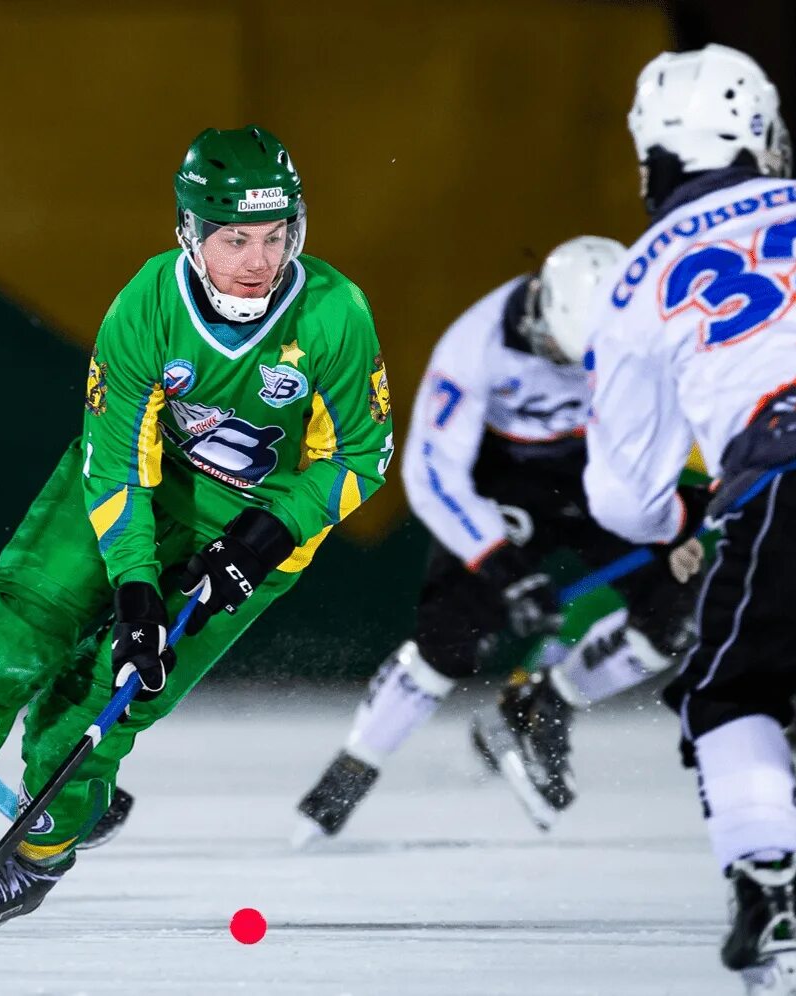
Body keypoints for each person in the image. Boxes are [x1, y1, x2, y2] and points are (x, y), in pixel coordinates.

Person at [0, 125, 392, 931]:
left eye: (276, 236)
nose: (260, 261)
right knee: (8, 640)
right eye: (236, 238)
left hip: (256, 531)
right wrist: (133, 591)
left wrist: (264, 538)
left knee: (108, 702)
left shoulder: (334, 312)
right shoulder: (149, 305)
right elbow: (119, 461)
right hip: (130, 492)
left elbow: (362, 455)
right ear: (190, 234)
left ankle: (40, 854)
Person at [585, 43, 796, 993]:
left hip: (795, 479)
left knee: (732, 693)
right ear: (758, 134)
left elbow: (623, 496)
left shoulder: (639, 274)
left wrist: (680, 514)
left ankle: (766, 885)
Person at [283, 236, 703, 842]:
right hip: (501, 482)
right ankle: (354, 767)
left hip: (601, 474)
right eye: (564, 352)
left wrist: (680, 520)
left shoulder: (646, 334)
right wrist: (503, 566)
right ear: (539, 309)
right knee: (448, 641)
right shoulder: (473, 345)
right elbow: (432, 473)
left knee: (670, 618)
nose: (575, 369)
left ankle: (545, 701)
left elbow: (687, 421)